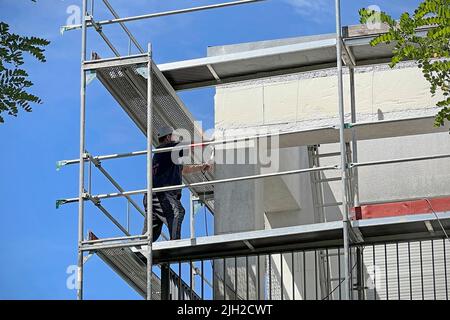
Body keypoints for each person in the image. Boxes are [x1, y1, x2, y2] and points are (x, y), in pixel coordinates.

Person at [142, 126, 212, 241]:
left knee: (152, 230)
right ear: (168, 137)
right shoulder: (168, 148)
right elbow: (190, 146)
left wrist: (202, 167)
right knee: (177, 212)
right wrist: (208, 142)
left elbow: (183, 170)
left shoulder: (166, 155)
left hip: (152, 196)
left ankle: (142, 249)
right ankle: (175, 243)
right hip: (162, 194)